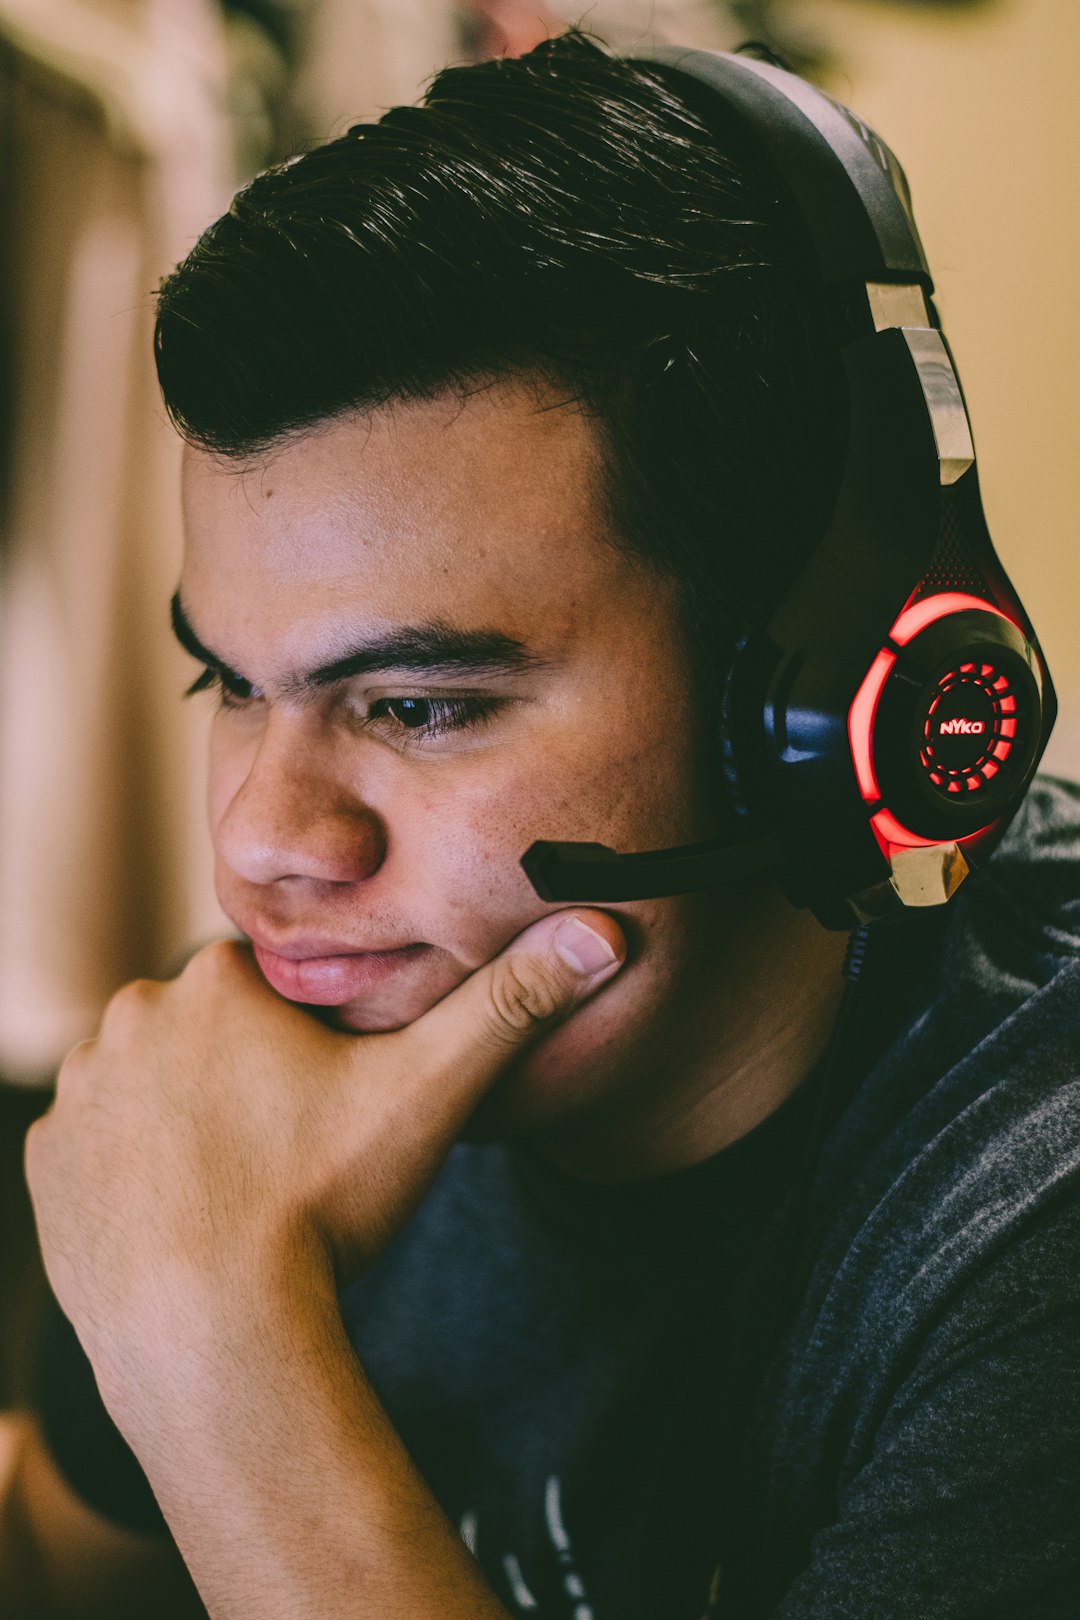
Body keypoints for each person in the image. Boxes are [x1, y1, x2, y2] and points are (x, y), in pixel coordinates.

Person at [4, 30, 1079, 1620]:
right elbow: (58, 1556)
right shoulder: (325, 1038)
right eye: (227, 681)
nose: (266, 844)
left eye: (418, 706)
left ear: (816, 707)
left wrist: (217, 1356)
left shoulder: (1026, 1226)